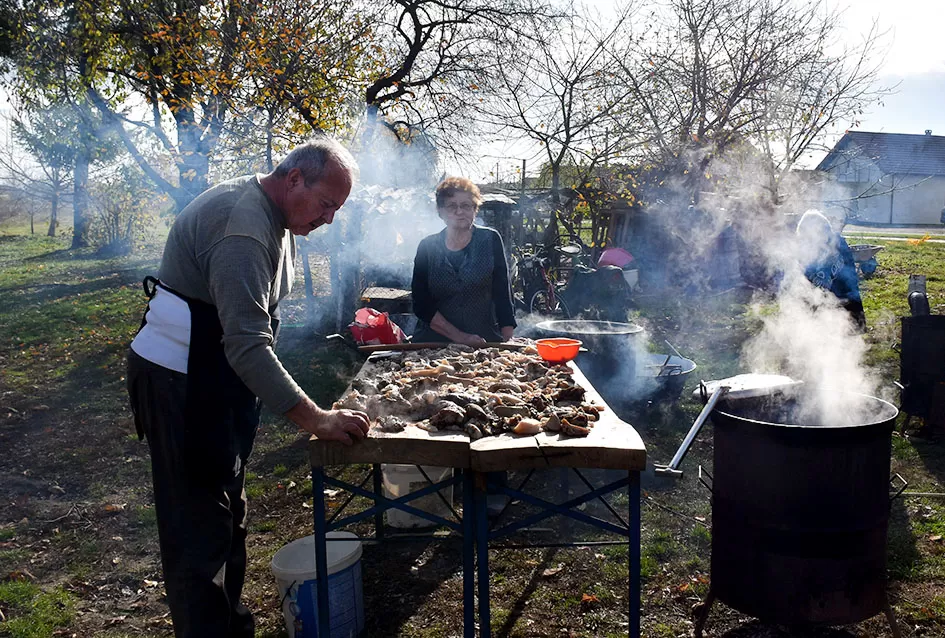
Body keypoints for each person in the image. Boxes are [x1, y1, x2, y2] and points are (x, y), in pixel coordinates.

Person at [125, 137, 370, 638]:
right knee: (199, 531)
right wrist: (317, 419)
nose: (328, 219)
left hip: (215, 378)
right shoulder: (243, 228)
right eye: (326, 204)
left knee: (226, 512)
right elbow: (246, 346)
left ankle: (228, 627)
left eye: (336, 210)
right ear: (295, 178)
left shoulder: (277, 217)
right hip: (181, 382)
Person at [411, 177, 517, 344]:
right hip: (432, 343)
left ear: (475, 210)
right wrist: (460, 337)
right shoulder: (427, 247)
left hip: (482, 340)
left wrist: (508, 338)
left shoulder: (490, 239)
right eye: (452, 206)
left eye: (466, 205)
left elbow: (502, 292)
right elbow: (421, 304)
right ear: (440, 211)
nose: (459, 211)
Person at [795, 209, 866, 330]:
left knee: (845, 339)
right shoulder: (804, 250)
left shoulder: (838, 243)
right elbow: (804, 281)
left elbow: (850, 275)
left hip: (845, 301)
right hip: (823, 304)